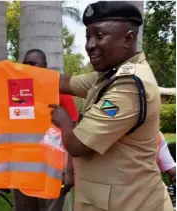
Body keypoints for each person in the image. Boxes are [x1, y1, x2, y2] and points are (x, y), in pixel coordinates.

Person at [48, 1, 174, 210]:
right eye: (88, 37)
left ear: (128, 38)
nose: (90, 45)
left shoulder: (129, 85)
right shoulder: (110, 75)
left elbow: (77, 145)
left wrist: (63, 122)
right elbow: (63, 82)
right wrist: (10, 73)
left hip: (131, 204)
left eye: (99, 36)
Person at [12, 49, 79, 211]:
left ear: (45, 66)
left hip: (53, 168)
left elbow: (72, 131)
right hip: (24, 169)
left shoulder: (59, 90)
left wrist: (69, 170)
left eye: (33, 63)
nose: (29, 67)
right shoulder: (17, 92)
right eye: (25, 63)